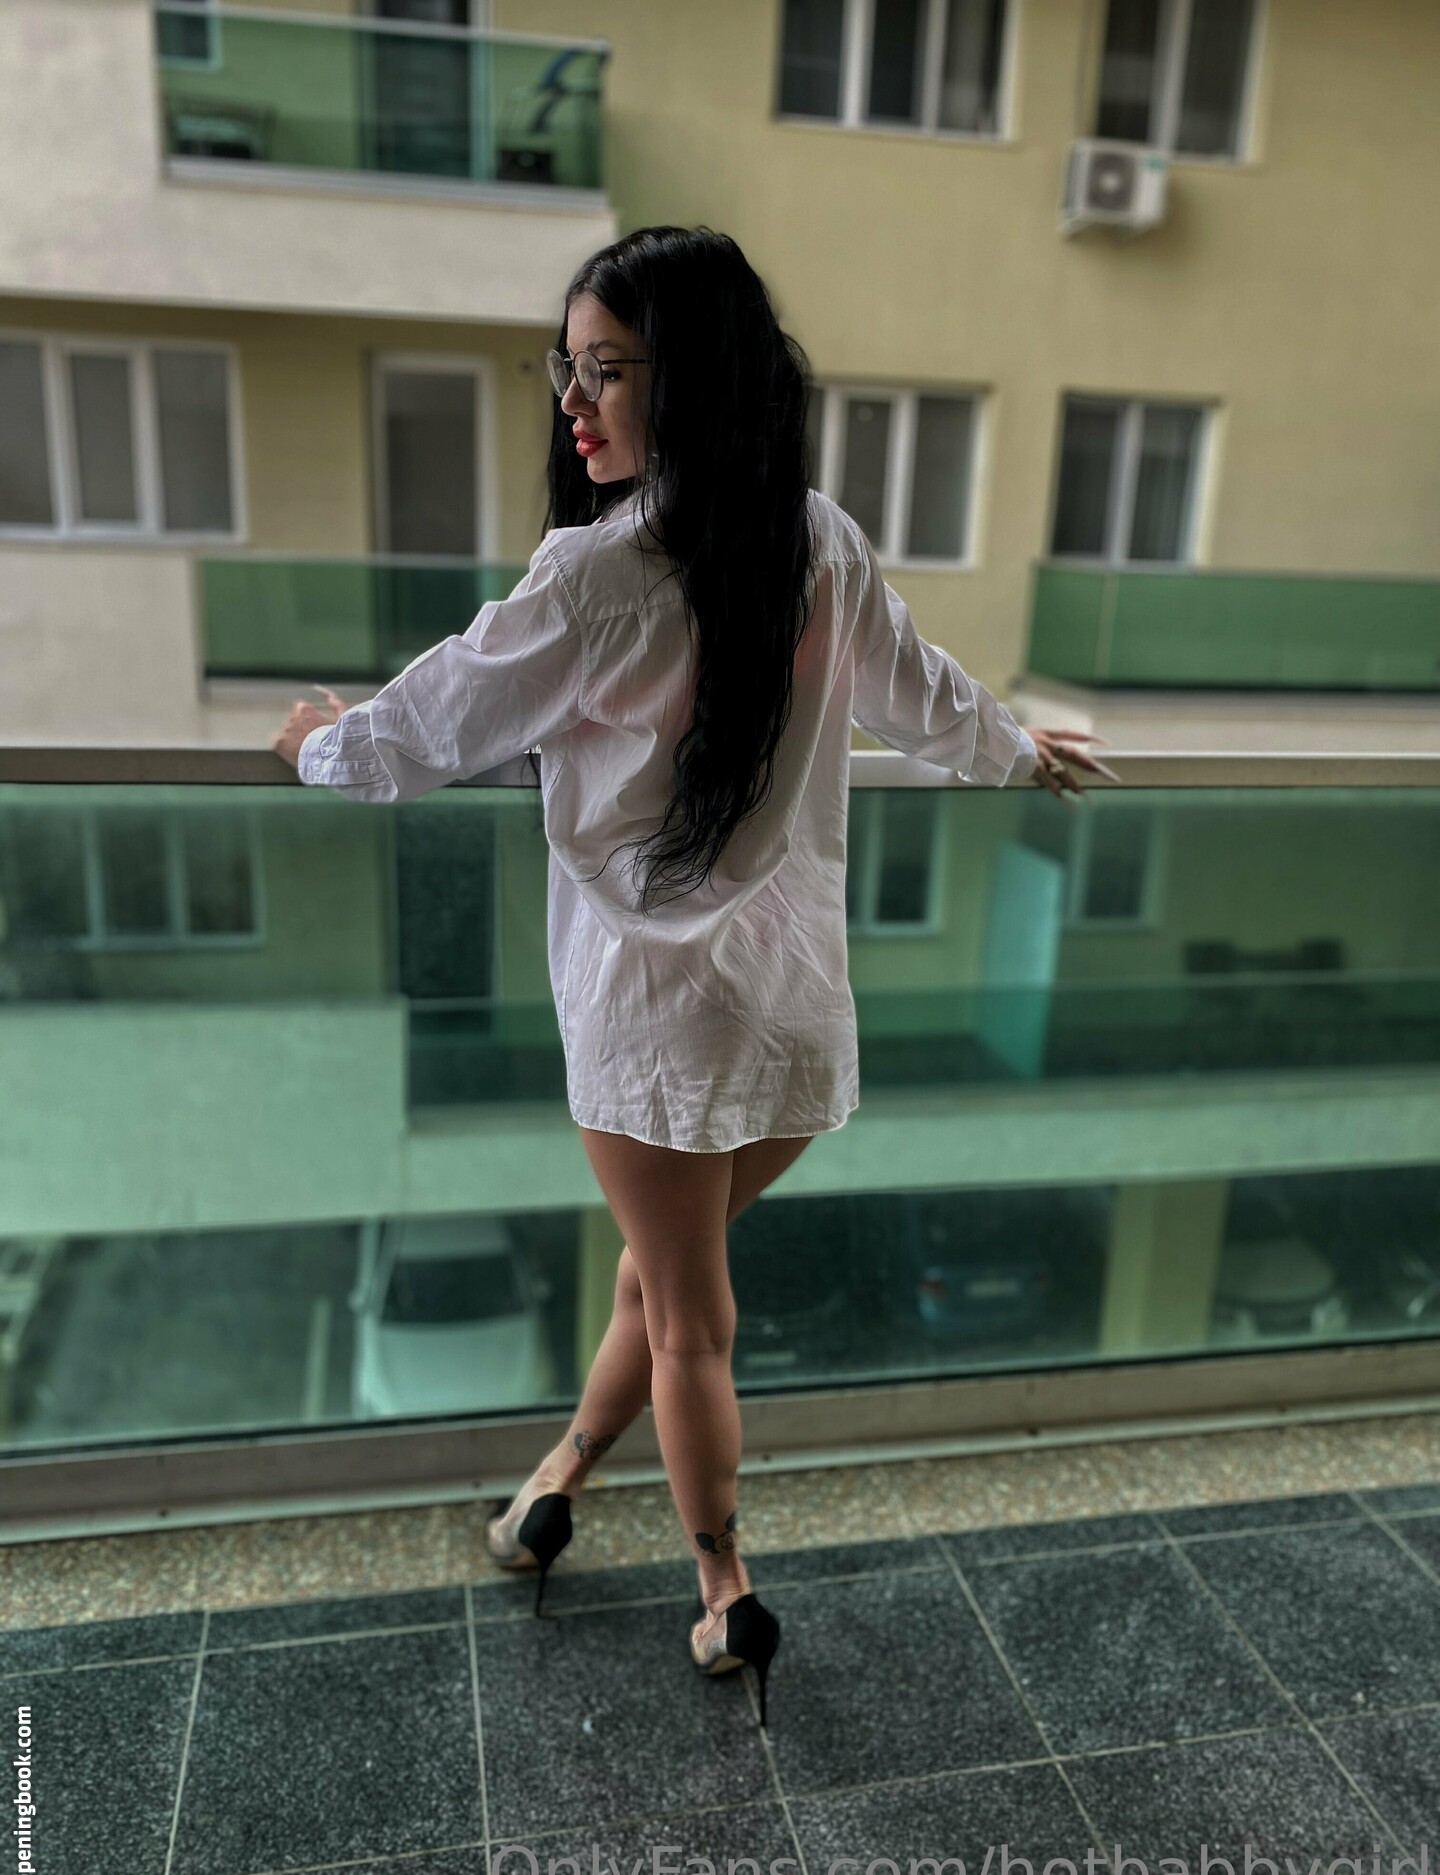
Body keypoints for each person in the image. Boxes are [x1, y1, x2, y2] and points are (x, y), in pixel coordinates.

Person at [271, 224, 1113, 1734]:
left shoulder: (598, 573)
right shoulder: (816, 538)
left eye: (606, 371)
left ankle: (725, 1587)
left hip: (651, 1020)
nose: (572, 404)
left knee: (690, 1322)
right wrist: (1014, 748)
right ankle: (555, 1484)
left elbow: (423, 729)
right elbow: (918, 692)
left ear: (695, 380)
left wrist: (314, 744)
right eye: (565, 369)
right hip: (784, 1009)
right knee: (656, 1281)